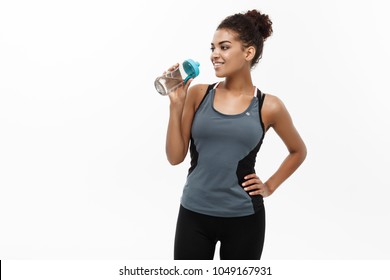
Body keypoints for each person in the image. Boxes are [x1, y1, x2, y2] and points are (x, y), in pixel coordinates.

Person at [164, 9, 307, 260]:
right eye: (212, 48)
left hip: (244, 220)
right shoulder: (198, 94)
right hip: (193, 215)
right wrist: (176, 104)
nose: (214, 55)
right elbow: (175, 157)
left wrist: (270, 186)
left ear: (248, 52)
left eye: (224, 47)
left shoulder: (268, 106)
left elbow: (298, 151)